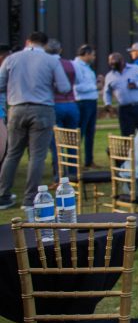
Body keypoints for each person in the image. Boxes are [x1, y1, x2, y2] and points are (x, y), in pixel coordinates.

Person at [0, 32, 72, 209]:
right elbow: (64, 87)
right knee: (37, 155)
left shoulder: (11, 59)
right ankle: (30, 198)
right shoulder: (51, 60)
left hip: (16, 108)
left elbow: (0, 84)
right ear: (45, 45)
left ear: (27, 41)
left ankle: (3, 195)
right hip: (42, 108)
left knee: (12, 154)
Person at [45, 40, 80, 181]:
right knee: (72, 141)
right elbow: (78, 81)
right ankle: (73, 173)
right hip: (71, 103)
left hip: (55, 103)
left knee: (56, 143)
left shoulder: (46, 64)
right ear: (60, 50)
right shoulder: (71, 64)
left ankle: (59, 175)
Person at [102, 52, 138, 136]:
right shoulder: (109, 76)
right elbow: (107, 92)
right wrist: (108, 103)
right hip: (125, 109)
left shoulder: (135, 68)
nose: (113, 67)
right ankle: (129, 149)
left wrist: (137, 84)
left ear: (122, 61)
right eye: (111, 64)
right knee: (127, 135)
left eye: (116, 64)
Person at [73, 44, 100, 168]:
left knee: (90, 132)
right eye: (92, 55)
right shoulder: (76, 66)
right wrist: (95, 87)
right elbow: (76, 87)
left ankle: (89, 160)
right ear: (87, 54)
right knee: (81, 132)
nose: (94, 57)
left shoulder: (87, 67)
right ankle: (75, 162)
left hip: (92, 101)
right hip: (82, 102)